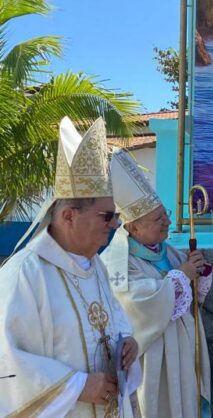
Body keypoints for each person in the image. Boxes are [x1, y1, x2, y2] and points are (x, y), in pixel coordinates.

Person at [0, 118, 142, 417]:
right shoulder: (24, 275)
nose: (116, 224)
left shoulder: (96, 266)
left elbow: (114, 321)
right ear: (68, 216)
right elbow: (7, 362)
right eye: (107, 215)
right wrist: (77, 386)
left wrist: (128, 343)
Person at [101, 149, 213, 417]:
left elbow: (191, 297)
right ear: (133, 227)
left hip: (183, 350)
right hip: (154, 356)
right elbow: (134, 304)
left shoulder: (167, 251)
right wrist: (182, 276)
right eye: (158, 219)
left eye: (166, 214)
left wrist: (199, 271)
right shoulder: (118, 262)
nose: (168, 222)